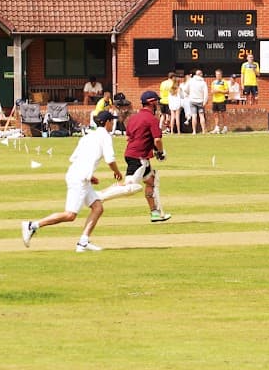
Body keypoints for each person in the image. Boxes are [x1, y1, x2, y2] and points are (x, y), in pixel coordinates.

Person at [20, 113, 131, 253]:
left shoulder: (88, 136)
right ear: (107, 122)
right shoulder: (105, 136)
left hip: (79, 175)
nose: (112, 124)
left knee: (98, 208)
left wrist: (90, 177)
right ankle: (32, 225)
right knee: (70, 215)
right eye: (111, 121)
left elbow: (76, 158)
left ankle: (83, 242)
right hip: (79, 178)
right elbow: (110, 159)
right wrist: (117, 172)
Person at [123, 90, 171, 223]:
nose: (158, 104)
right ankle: (100, 197)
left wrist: (153, 149)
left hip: (132, 154)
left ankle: (155, 213)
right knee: (129, 188)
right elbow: (157, 140)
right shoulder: (151, 119)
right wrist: (160, 152)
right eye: (156, 101)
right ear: (152, 102)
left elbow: (128, 137)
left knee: (151, 181)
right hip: (139, 157)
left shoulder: (134, 117)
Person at [185, 70, 208, 134]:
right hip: (200, 101)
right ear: (200, 74)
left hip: (192, 100)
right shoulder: (203, 82)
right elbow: (206, 93)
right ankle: (203, 130)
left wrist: (189, 94)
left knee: (194, 116)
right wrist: (205, 101)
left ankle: (194, 131)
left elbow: (185, 89)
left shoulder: (191, 81)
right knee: (201, 115)